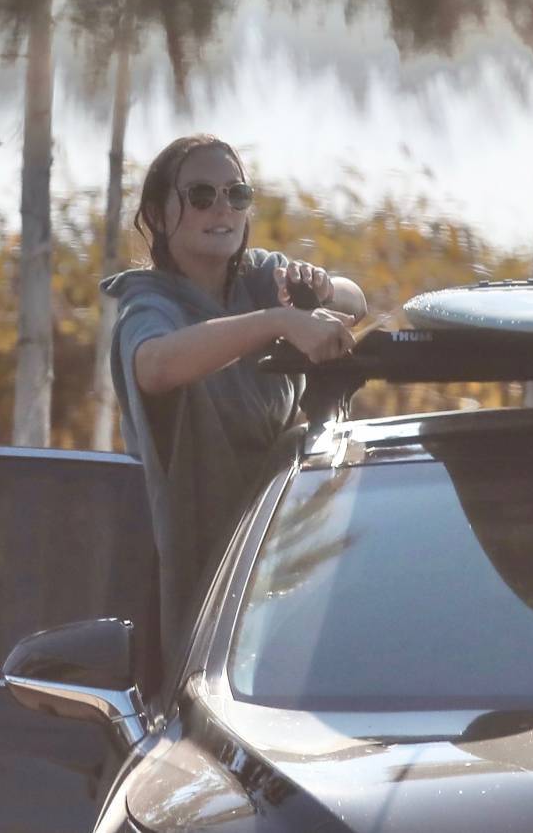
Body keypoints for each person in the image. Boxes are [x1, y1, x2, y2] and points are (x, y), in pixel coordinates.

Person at [100, 133, 367, 676]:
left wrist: (321, 286)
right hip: (201, 565)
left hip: (292, 548)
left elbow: (356, 302)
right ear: (158, 212)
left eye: (236, 194)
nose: (222, 209)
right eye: (201, 195)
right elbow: (155, 366)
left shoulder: (263, 277)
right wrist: (276, 323)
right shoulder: (149, 302)